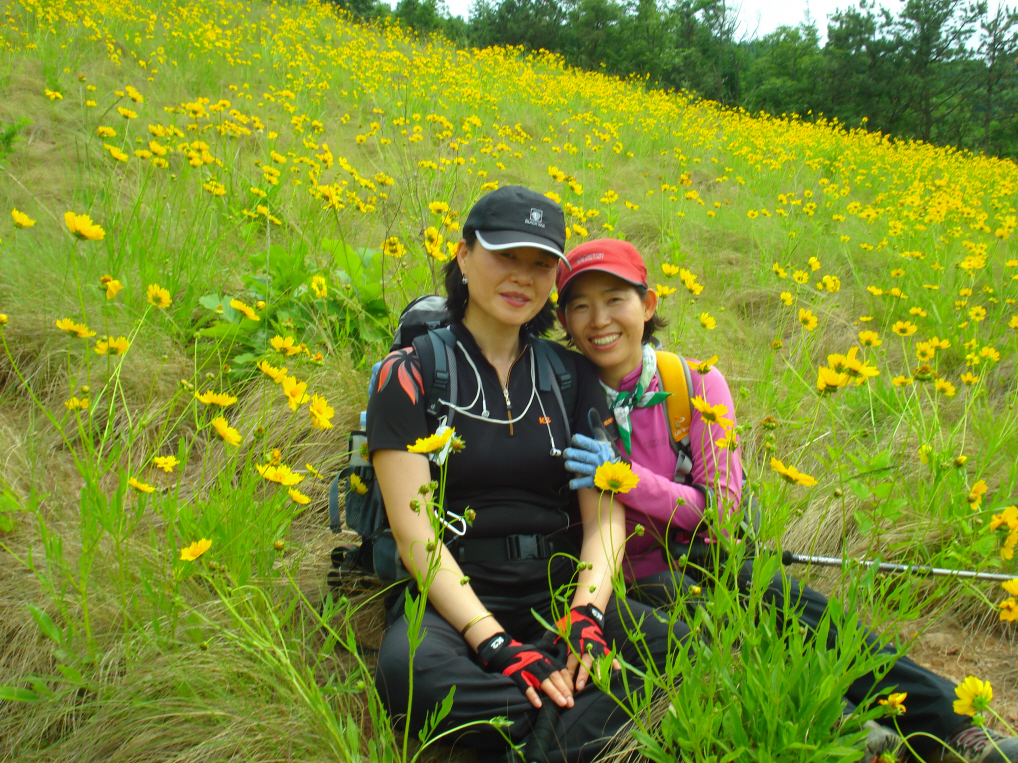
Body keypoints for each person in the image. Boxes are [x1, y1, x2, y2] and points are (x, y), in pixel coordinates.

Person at [556, 238, 1018, 763]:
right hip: (622, 578)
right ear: (564, 321)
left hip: (707, 553)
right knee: (713, 628)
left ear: (649, 304)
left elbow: (723, 510)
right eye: (580, 305)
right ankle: (845, 726)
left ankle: (955, 731)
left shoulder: (694, 383)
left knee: (807, 613)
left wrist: (628, 479)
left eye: (615, 299)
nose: (599, 320)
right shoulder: (562, 391)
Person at [366, 189, 688, 763]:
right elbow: (415, 537)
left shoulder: (571, 375)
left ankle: (527, 739)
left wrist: (587, 614)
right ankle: (581, 728)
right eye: (505, 256)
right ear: (463, 256)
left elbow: (604, 518)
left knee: (682, 648)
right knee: (411, 670)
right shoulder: (410, 373)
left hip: (558, 588)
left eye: (541, 264)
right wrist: (494, 644)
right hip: (454, 594)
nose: (523, 277)